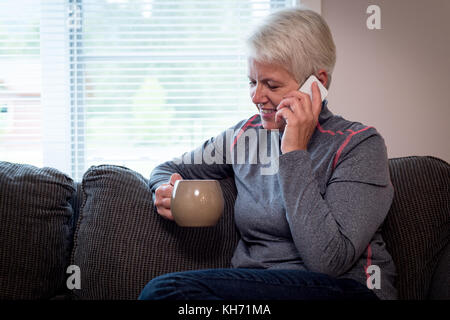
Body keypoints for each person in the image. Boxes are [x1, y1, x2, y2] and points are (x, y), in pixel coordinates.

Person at [139, 8, 397, 300]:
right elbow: (169, 167)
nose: (256, 97)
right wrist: (164, 187)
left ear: (318, 83)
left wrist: (293, 150)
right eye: (252, 82)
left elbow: (327, 261)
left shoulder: (358, 146)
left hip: (344, 291)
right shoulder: (244, 137)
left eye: (271, 85)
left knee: (166, 291)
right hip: (258, 292)